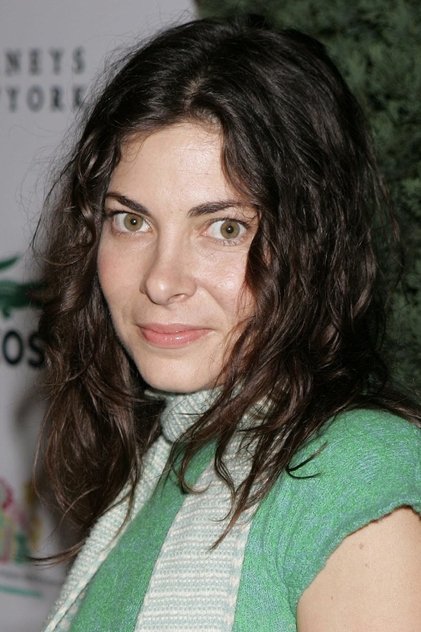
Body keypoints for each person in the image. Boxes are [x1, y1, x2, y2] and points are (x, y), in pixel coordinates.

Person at [36, 15, 421, 632]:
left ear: (313, 244)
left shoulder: (352, 476)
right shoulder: (159, 466)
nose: (162, 281)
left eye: (224, 228)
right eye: (131, 221)